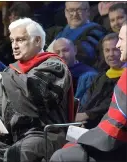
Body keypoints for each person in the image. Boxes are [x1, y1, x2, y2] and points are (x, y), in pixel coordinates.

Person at [0, 18, 74, 162]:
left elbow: (36, 98)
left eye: (21, 40)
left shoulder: (54, 66)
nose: (14, 46)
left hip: (43, 134)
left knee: (17, 154)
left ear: (38, 41)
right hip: (9, 136)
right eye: (13, 40)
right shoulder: (11, 71)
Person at [50, 21, 127, 162]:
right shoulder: (100, 77)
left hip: (116, 145)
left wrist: (87, 135)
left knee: (60, 154)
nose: (116, 48)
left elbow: (115, 127)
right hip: (100, 132)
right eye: (107, 50)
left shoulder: (121, 77)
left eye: (121, 41)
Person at [75, 33, 126, 129]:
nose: (111, 54)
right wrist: (81, 117)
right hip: (89, 124)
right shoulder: (101, 76)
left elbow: (113, 105)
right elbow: (87, 100)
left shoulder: (125, 77)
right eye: (107, 50)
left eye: (115, 49)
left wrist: (87, 114)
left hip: (112, 127)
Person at [47, 2, 106, 68]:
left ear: (88, 11)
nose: (75, 14)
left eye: (79, 10)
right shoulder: (59, 32)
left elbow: (85, 55)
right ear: (65, 12)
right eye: (71, 10)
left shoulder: (95, 31)